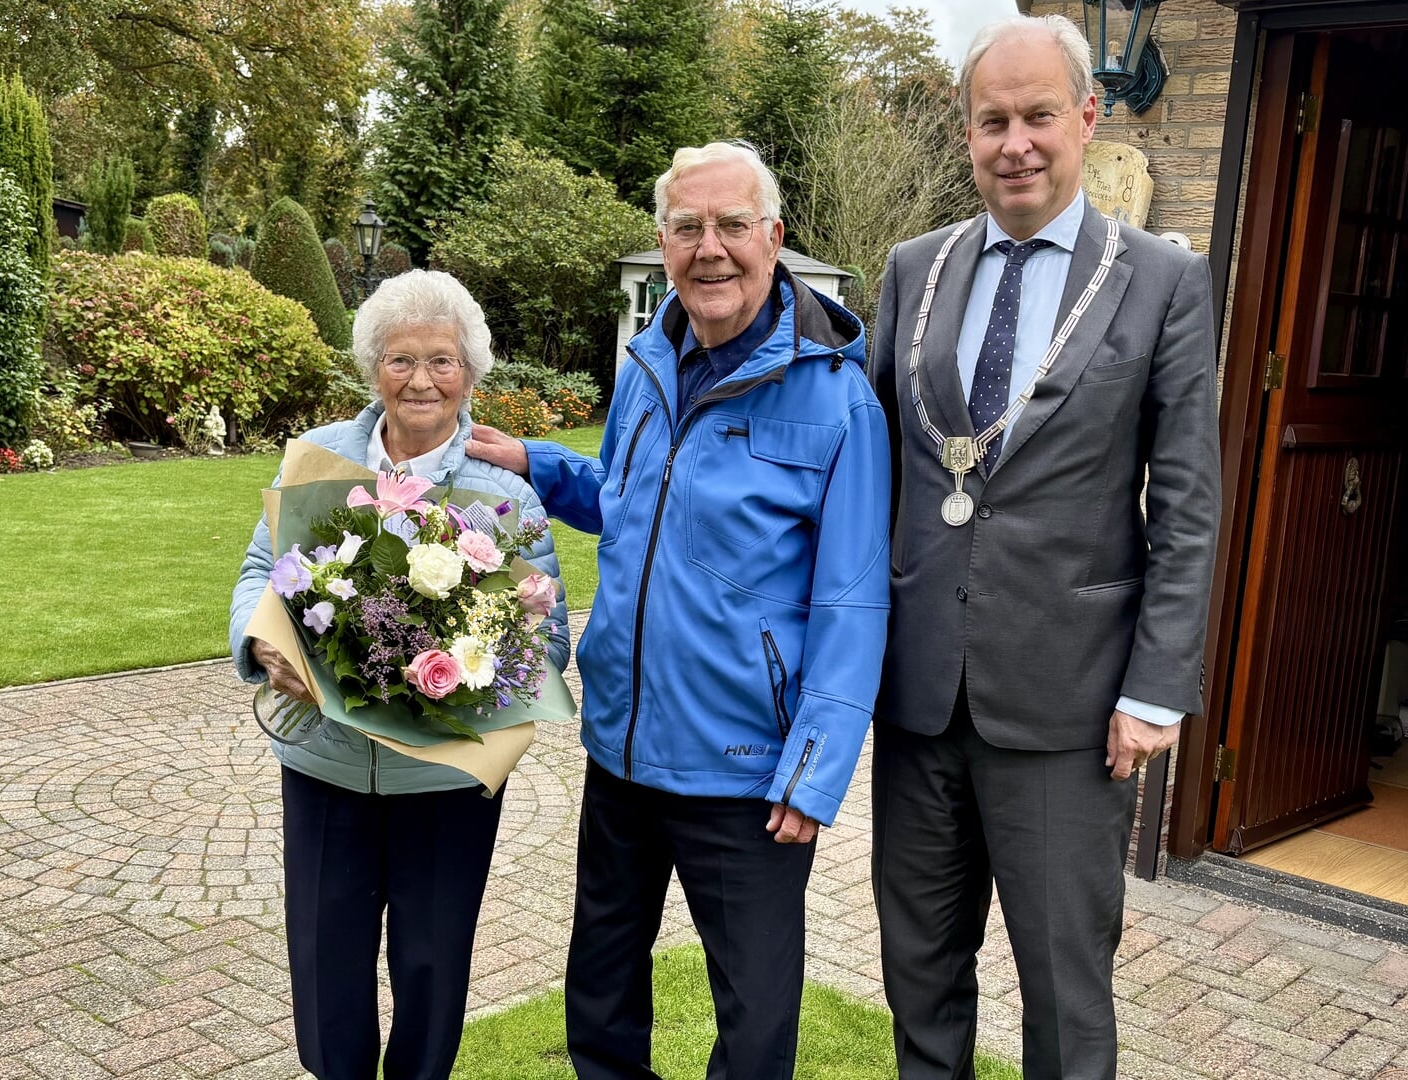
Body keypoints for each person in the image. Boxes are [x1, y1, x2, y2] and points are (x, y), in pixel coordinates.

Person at [467, 141, 891, 1079]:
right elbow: (629, 503)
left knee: (752, 1025)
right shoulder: (648, 365)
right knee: (601, 999)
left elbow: (854, 602)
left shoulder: (837, 401)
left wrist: (812, 773)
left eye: (732, 225)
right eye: (687, 226)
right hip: (619, 750)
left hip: (746, 774)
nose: (711, 248)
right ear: (662, 242)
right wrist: (536, 464)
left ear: (773, 237)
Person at [866, 16, 1219, 1080]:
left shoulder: (1159, 278)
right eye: (990, 120)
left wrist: (1154, 689)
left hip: (1070, 709)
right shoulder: (910, 267)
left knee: (1064, 992)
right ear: (964, 133)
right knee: (918, 975)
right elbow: (867, 466)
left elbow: (1189, 499)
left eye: (1034, 116)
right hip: (920, 693)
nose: (1012, 141)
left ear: (1084, 115)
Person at [226, 269, 571, 1080]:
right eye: (400, 359)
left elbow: (547, 637)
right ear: (371, 367)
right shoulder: (318, 460)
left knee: (430, 961)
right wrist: (260, 641)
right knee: (326, 960)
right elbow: (256, 567)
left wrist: (509, 643)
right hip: (324, 760)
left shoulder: (502, 490)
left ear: (471, 373)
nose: (421, 380)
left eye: (442, 361)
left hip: (444, 778)